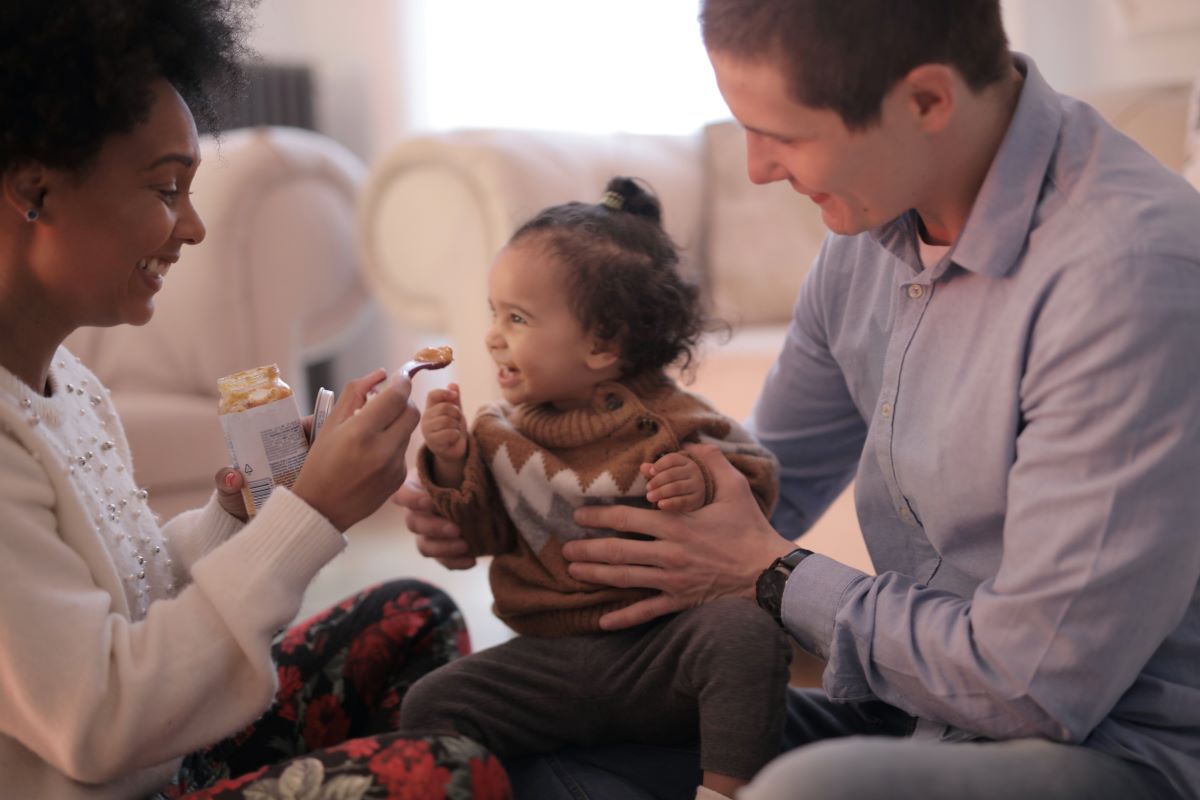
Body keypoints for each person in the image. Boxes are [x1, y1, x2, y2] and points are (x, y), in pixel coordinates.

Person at [399, 1, 1200, 798]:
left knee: (807, 789)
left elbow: (1036, 685)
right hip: (911, 711)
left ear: (926, 101)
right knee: (511, 758)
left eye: (783, 135)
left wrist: (774, 575)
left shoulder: (1127, 277)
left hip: (1107, 745)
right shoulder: (867, 241)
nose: (755, 169)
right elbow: (750, 490)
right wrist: (505, 503)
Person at [0, 2, 512, 798]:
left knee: (414, 615)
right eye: (167, 188)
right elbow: (98, 720)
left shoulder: (71, 386)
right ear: (35, 191)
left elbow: (131, 599)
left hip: (164, 761)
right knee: (448, 774)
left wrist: (252, 510)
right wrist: (312, 518)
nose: (193, 227)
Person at [397, 177, 791, 800]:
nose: (493, 335)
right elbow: (477, 536)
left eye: (518, 318)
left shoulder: (675, 420)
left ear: (602, 344)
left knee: (745, 638)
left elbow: (754, 483)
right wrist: (446, 464)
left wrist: (700, 485)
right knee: (432, 702)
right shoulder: (497, 435)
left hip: (663, 654)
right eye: (493, 314)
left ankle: (723, 791)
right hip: (549, 662)